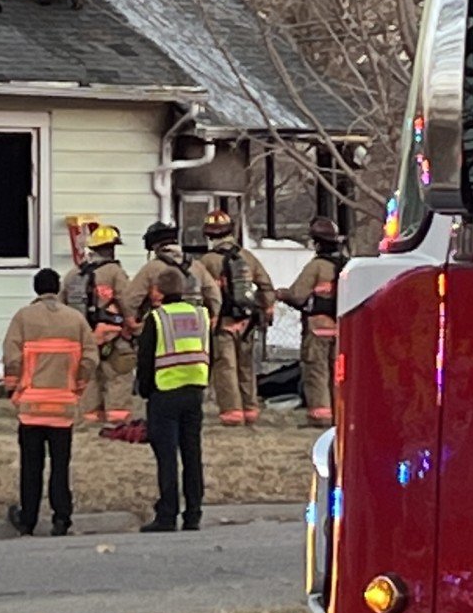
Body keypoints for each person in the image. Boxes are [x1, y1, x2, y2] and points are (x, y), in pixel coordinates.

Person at [3, 267, 94, 536]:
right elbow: (89, 358)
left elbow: (12, 358)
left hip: (31, 408)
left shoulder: (23, 318)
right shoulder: (75, 320)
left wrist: (13, 392)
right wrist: (77, 388)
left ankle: (28, 519)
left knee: (31, 467)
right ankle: (61, 518)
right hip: (63, 408)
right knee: (60, 466)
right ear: (58, 289)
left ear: (36, 289)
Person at [136, 263, 210, 533]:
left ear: (157, 292)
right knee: (192, 454)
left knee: (167, 457)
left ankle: (167, 515)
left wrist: (145, 391)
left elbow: (145, 360)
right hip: (194, 391)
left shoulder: (157, 318)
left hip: (164, 393)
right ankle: (193, 514)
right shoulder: (201, 315)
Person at [194, 209, 275, 428]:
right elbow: (266, 285)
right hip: (247, 322)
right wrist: (267, 309)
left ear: (209, 235)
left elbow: (200, 293)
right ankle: (250, 411)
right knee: (246, 367)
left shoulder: (207, 261)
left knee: (226, 367)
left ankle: (232, 413)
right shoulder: (247, 257)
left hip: (223, 323)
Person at [65, 224, 133, 425]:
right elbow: (127, 300)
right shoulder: (114, 272)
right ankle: (117, 416)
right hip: (112, 333)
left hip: (83, 334)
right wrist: (132, 325)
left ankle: (89, 415)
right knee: (118, 373)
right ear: (111, 248)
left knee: (90, 375)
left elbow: (62, 304)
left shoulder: (74, 274)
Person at [288, 216, 348, 428]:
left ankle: (320, 417)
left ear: (317, 243)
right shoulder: (347, 266)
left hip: (318, 328)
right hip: (341, 330)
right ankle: (339, 416)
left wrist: (280, 295)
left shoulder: (316, 267)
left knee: (316, 371)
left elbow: (297, 295)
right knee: (338, 375)